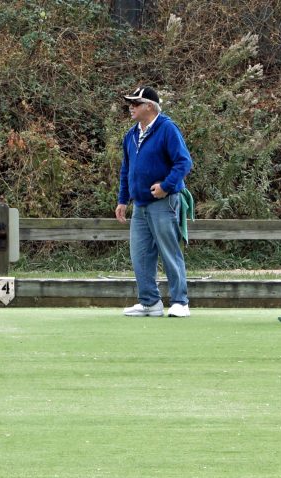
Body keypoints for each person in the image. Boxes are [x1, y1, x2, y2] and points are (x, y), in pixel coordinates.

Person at [115, 86, 193, 318]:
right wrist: (123, 199)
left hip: (165, 202)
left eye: (136, 103)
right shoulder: (130, 135)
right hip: (139, 204)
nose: (131, 107)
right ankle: (150, 302)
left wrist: (165, 186)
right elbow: (126, 170)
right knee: (140, 254)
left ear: (149, 106)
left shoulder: (167, 128)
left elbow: (183, 162)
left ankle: (180, 302)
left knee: (169, 251)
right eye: (130, 103)